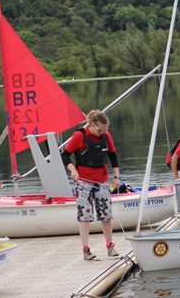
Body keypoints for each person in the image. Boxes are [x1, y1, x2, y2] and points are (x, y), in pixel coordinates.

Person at [61, 110, 121, 261]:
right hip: (84, 181)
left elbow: (113, 156)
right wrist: (72, 169)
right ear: (92, 125)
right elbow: (64, 154)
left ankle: (110, 246)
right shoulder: (79, 136)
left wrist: (116, 177)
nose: (103, 133)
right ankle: (86, 250)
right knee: (85, 217)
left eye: (105, 130)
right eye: (100, 130)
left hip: (101, 180)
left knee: (106, 215)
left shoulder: (106, 136)